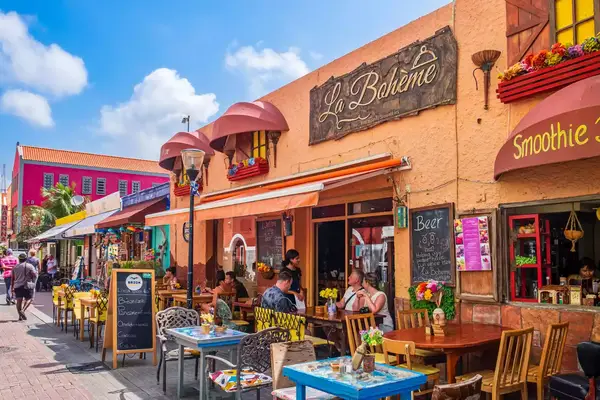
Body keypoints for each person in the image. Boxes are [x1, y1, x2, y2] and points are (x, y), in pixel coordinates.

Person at [11, 253, 38, 321]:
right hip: (27, 286)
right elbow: (35, 275)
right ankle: (23, 310)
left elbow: (12, 279)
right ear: (26, 259)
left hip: (17, 286)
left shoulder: (14, 267)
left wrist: (12, 288)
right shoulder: (30, 266)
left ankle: (20, 316)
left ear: (19, 259)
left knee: (19, 301)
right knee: (30, 299)